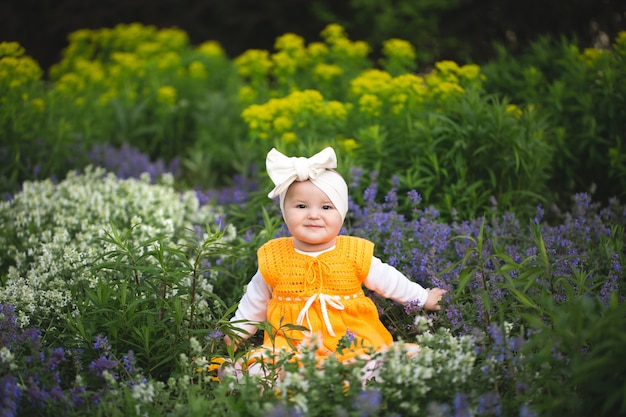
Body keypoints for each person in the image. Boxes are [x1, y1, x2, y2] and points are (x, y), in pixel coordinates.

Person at [223, 146, 447, 373]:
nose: (313, 214)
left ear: (341, 213)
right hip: (293, 344)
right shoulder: (275, 257)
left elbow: (389, 281)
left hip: (352, 339)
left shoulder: (353, 252)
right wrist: (235, 334)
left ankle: (358, 380)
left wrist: (422, 297)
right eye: (301, 206)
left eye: (326, 207)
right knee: (260, 371)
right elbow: (254, 302)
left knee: (372, 367)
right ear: (284, 211)